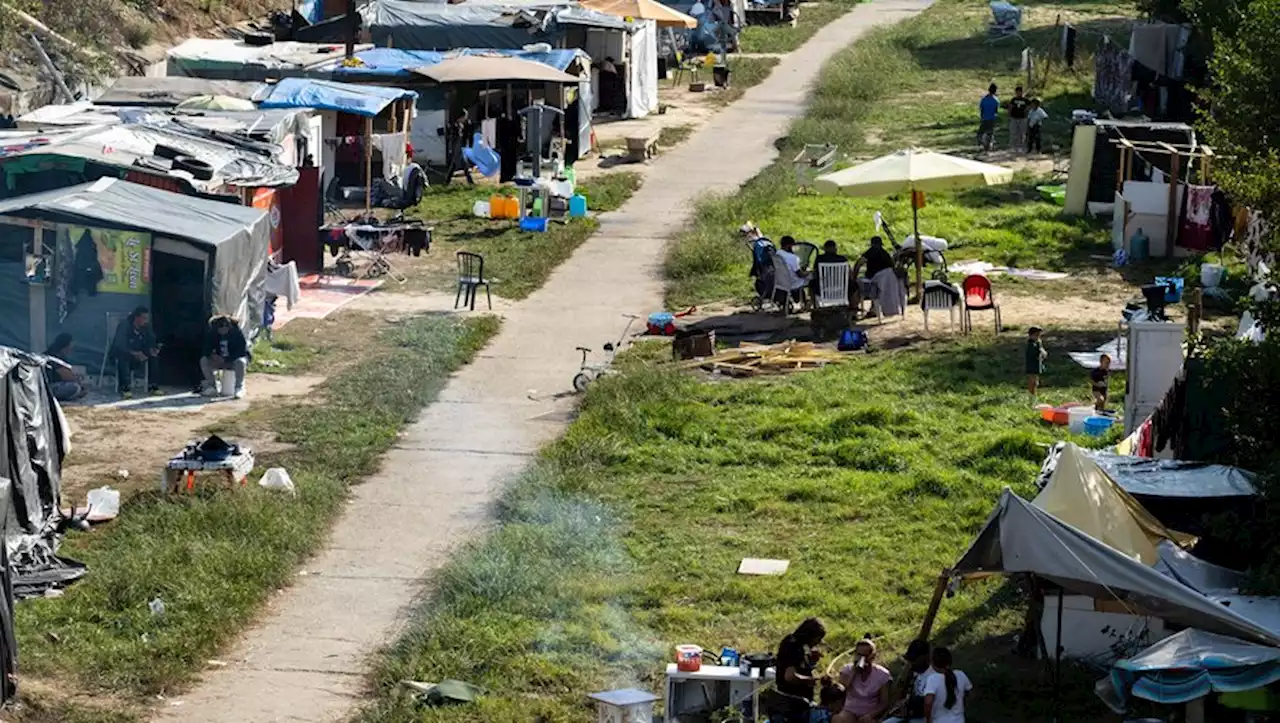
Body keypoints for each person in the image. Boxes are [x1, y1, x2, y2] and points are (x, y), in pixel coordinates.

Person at [776, 618, 827, 722]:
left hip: (789, 700)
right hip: (794, 701)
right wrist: (811, 680)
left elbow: (799, 666)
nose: (818, 642)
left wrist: (811, 661)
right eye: (817, 639)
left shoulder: (793, 642)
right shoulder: (793, 647)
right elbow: (790, 676)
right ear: (810, 635)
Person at [835, 638, 893, 723]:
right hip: (849, 710)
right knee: (838, 719)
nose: (863, 659)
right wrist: (854, 672)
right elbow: (841, 691)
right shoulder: (847, 670)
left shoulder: (882, 674)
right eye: (859, 655)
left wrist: (871, 715)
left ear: (873, 656)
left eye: (866, 656)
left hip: (869, 713)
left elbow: (884, 702)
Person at [111, 306, 160, 398]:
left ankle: (153, 386)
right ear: (137, 318)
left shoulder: (146, 327)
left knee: (154, 357)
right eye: (144, 318)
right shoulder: (125, 325)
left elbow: (152, 340)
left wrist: (154, 348)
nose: (146, 321)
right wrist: (133, 353)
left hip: (140, 352)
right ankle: (125, 388)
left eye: (147, 318)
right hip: (125, 352)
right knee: (123, 357)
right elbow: (119, 345)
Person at [200, 315, 251, 399]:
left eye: (225, 327)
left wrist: (227, 359)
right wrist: (212, 355)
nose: (223, 329)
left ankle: (239, 387)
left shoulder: (237, 333)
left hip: (233, 360)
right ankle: (212, 386)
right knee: (204, 360)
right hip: (219, 360)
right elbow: (205, 349)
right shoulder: (212, 333)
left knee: (241, 362)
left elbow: (241, 352)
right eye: (220, 328)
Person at [883, 639, 932, 723]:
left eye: (914, 659)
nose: (911, 662)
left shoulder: (933, 676)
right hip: (910, 712)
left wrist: (908, 711)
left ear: (925, 657)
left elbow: (928, 704)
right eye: (910, 659)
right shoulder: (914, 673)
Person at [921, 647, 971, 723]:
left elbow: (928, 702)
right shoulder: (961, 674)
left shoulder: (933, 679)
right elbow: (969, 692)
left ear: (933, 663)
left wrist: (928, 719)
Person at [43, 333, 88, 401]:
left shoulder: (52, 353)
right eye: (71, 344)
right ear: (66, 345)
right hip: (48, 388)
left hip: (47, 386)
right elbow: (67, 377)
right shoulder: (56, 356)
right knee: (74, 387)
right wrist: (79, 382)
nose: (72, 347)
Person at [776, 236, 811, 307]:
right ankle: (807, 301)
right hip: (793, 282)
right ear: (789, 246)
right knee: (812, 279)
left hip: (781, 281)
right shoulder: (793, 258)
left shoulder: (778, 253)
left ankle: (800, 299)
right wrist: (809, 272)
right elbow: (800, 274)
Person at [1005, 85, 1030, 153]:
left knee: (1022, 133)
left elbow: (1028, 108)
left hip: (1022, 118)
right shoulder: (1013, 100)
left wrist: (1027, 116)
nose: (1018, 93)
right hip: (1014, 118)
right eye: (1017, 92)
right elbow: (1010, 107)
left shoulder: (1026, 100)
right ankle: (1013, 147)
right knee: (1013, 133)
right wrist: (1009, 115)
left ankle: (1021, 147)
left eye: (1020, 92)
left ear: (1022, 92)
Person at [1026, 325, 1047, 399]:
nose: (1038, 337)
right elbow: (1033, 353)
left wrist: (1043, 352)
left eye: (1039, 335)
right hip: (1031, 364)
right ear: (1031, 335)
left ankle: (1034, 394)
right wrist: (1040, 353)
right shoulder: (1030, 344)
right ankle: (1030, 394)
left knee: (1036, 381)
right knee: (1032, 380)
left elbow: (1041, 349)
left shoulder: (1038, 342)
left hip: (1037, 364)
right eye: (1036, 335)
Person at [977, 84, 999, 151]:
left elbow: (981, 109)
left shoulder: (984, 99)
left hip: (984, 118)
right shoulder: (996, 100)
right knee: (990, 133)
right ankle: (988, 146)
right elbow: (996, 110)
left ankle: (982, 145)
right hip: (992, 119)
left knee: (980, 133)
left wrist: (982, 116)